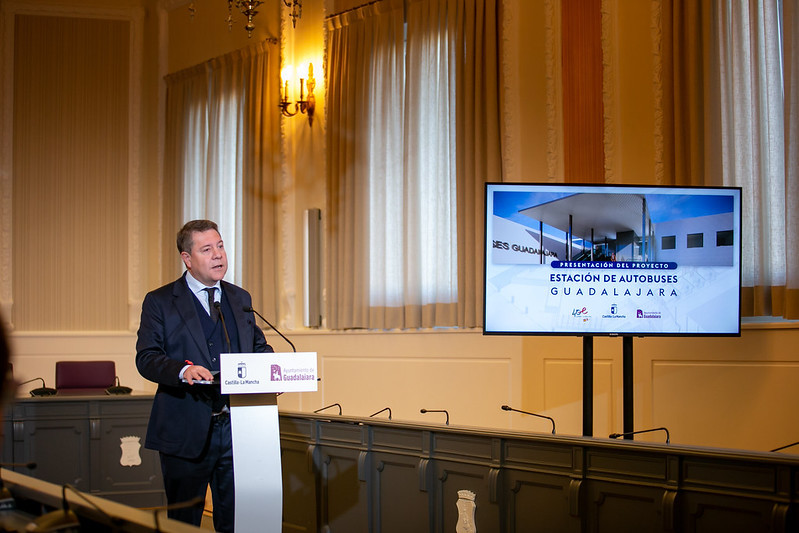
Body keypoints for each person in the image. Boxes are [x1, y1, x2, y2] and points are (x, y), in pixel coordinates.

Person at [136, 219, 272, 532]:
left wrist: (274, 373)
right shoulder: (160, 301)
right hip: (185, 430)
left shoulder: (240, 299)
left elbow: (259, 348)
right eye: (207, 249)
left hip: (238, 432)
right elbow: (147, 358)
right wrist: (182, 370)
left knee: (236, 521)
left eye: (220, 246)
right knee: (184, 524)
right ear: (187, 258)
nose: (218, 255)